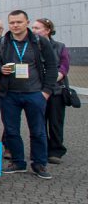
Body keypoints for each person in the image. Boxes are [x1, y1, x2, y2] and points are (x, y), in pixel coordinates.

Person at [0, 10, 58, 179]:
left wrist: (46, 91)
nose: (15, 25)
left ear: (27, 22)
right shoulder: (1, 42)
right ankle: (18, 162)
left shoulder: (40, 42)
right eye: (12, 22)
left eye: (19, 22)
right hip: (9, 94)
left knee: (38, 130)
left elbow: (52, 67)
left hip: (34, 93)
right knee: (11, 130)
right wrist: (0, 69)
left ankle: (39, 164)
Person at [32, 18, 69, 165]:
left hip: (56, 90)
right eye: (33, 28)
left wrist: (50, 81)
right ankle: (42, 149)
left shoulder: (59, 47)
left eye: (37, 28)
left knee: (55, 122)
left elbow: (64, 67)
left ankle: (56, 151)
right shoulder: (32, 46)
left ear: (47, 30)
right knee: (38, 122)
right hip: (36, 89)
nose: (34, 31)